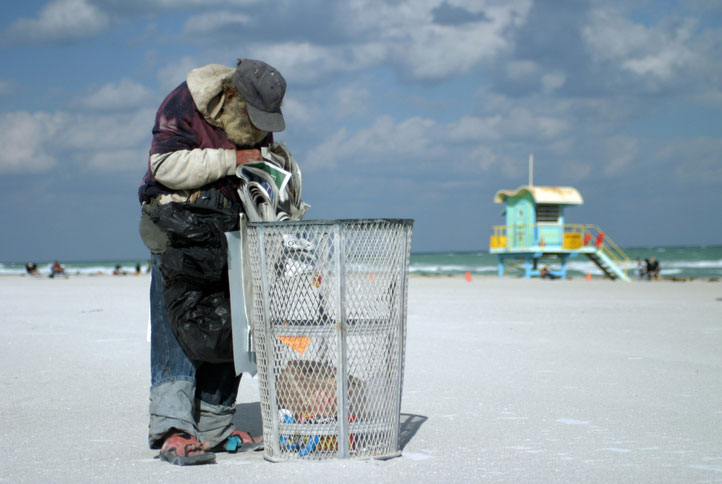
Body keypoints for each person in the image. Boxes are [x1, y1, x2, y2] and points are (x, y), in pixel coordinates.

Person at [137, 59, 287, 466]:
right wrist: (235, 159)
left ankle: (215, 427)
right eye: (254, 115)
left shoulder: (255, 121)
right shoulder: (184, 102)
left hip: (232, 228)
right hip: (180, 225)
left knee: (235, 323)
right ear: (234, 94)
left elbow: (261, 163)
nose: (259, 125)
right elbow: (163, 166)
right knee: (176, 321)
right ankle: (172, 427)